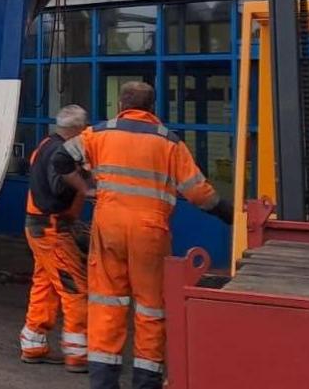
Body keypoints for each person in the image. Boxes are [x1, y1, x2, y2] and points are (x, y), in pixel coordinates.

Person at [52, 81, 231, 389]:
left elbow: (60, 160)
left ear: (122, 105)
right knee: (150, 307)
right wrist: (228, 213)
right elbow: (198, 192)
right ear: (152, 107)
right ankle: (146, 381)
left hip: (108, 228)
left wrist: (88, 187)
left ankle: (103, 381)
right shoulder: (168, 142)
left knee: (106, 303)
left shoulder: (98, 133)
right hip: (150, 231)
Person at [19, 103, 90, 373]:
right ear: (76, 130)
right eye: (83, 131)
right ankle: (77, 354)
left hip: (38, 225)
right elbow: (60, 187)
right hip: (52, 228)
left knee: (46, 284)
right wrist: (85, 180)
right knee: (75, 289)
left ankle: (33, 344)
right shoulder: (62, 153)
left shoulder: (44, 145)